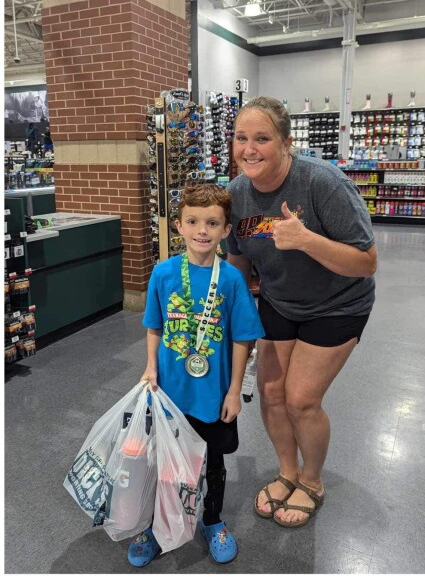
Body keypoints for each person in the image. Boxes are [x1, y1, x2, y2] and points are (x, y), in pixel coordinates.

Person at [225, 96, 377, 528]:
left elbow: (366, 262)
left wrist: (306, 240)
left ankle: (311, 481)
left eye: (262, 139)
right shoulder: (236, 194)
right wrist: (235, 312)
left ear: (287, 143)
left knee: (301, 399)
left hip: (338, 304)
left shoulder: (322, 183)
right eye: (241, 138)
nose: (249, 149)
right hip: (278, 301)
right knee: (272, 395)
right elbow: (238, 261)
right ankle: (286, 472)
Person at [134, 184, 265, 566]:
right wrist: (150, 367)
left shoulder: (231, 281)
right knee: (166, 463)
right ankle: (160, 525)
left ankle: (211, 519)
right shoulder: (163, 273)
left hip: (213, 393)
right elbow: (154, 326)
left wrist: (235, 390)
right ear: (178, 225)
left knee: (213, 461)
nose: (202, 230)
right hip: (171, 394)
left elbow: (243, 338)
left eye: (212, 223)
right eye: (192, 221)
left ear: (226, 230)